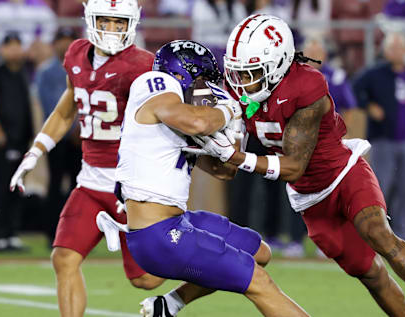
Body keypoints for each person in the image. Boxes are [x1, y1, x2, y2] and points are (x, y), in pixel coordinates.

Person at [149, 14, 405, 317]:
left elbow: (294, 166)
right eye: (238, 73)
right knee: (373, 276)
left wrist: (238, 156)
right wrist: (196, 147)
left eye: (251, 73)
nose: (241, 83)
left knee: (379, 233)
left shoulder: (307, 85)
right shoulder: (245, 95)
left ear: (278, 63)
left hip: (343, 174)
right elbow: (227, 171)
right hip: (310, 199)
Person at [99, 39, 309, 317]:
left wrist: (228, 144)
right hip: (157, 234)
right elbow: (198, 121)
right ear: (181, 74)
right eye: (203, 81)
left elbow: (225, 171)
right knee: (259, 282)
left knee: (260, 252)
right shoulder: (154, 84)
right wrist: (228, 110)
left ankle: (170, 304)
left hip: (176, 220)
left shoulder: (181, 114)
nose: (209, 91)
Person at [9, 0, 165, 317]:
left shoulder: (144, 65)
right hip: (91, 182)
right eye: (104, 21)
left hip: (132, 187)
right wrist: (36, 151)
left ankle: (208, 259)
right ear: (90, 19)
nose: (110, 29)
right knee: (64, 257)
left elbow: (168, 115)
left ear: (132, 24)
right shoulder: (77, 54)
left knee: (146, 280)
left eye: (118, 22)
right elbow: (69, 107)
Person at [353, 32, 405, 240]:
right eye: (392, 48)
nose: (396, 52)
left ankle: (401, 234)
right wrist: (368, 106)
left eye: (400, 48)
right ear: (385, 51)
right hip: (383, 140)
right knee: (381, 188)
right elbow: (354, 89)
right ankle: (377, 231)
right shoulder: (374, 74)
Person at [0, 32, 33, 251]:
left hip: (20, 142)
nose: (14, 50)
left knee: (15, 188)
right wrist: (0, 136)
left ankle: (10, 232)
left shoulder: (22, 74)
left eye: (17, 45)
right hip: (2, 143)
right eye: (9, 45)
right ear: (2, 49)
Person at [33, 28, 82, 245]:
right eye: (60, 39)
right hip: (58, 137)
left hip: (80, 137)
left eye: (68, 39)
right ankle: (52, 233)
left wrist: (79, 128)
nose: (64, 44)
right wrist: (72, 128)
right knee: (54, 184)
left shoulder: (83, 68)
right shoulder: (45, 71)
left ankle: (75, 234)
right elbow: (49, 107)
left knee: (78, 187)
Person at [191, 0, 247, 69]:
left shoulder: (237, 6)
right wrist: (223, 26)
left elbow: (242, 30)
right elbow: (199, 29)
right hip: (207, 47)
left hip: (229, 48)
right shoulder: (201, 5)